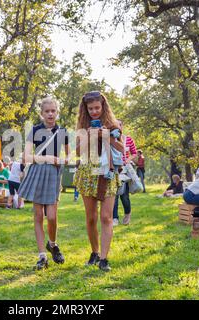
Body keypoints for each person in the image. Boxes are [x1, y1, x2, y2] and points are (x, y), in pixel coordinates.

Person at [73, 91, 124, 272]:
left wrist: (106, 136)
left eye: (97, 107)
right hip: (87, 173)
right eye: (90, 108)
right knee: (91, 217)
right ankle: (94, 253)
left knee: (106, 217)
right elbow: (78, 152)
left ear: (103, 106)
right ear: (86, 109)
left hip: (107, 174)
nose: (94, 111)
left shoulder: (113, 125)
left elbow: (122, 148)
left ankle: (104, 258)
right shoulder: (82, 126)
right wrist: (89, 136)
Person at [18, 97, 69, 270]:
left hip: (54, 174)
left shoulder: (62, 131)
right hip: (37, 173)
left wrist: (60, 160)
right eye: (47, 111)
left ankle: (53, 244)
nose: (50, 114)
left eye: (53, 111)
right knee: (39, 216)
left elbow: (68, 157)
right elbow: (26, 157)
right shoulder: (34, 130)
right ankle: (42, 256)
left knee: (52, 217)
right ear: (41, 114)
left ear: (57, 112)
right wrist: (48, 158)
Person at [113, 120, 137, 227]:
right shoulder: (111, 139)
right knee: (114, 195)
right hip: (114, 170)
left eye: (119, 125)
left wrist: (128, 159)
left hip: (125, 171)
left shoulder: (128, 139)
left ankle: (127, 213)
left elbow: (134, 153)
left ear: (122, 126)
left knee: (124, 195)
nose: (117, 127)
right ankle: (114, 218)